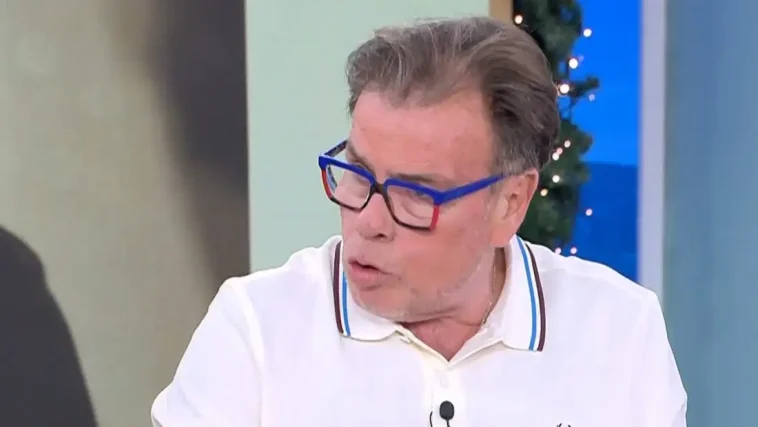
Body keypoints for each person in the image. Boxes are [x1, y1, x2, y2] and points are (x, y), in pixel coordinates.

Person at [151, 16, 686, 427]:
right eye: (357, 174)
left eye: (413, 195)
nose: (368, 222)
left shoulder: (619, 332)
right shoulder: (254, 331)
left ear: (510, 202)